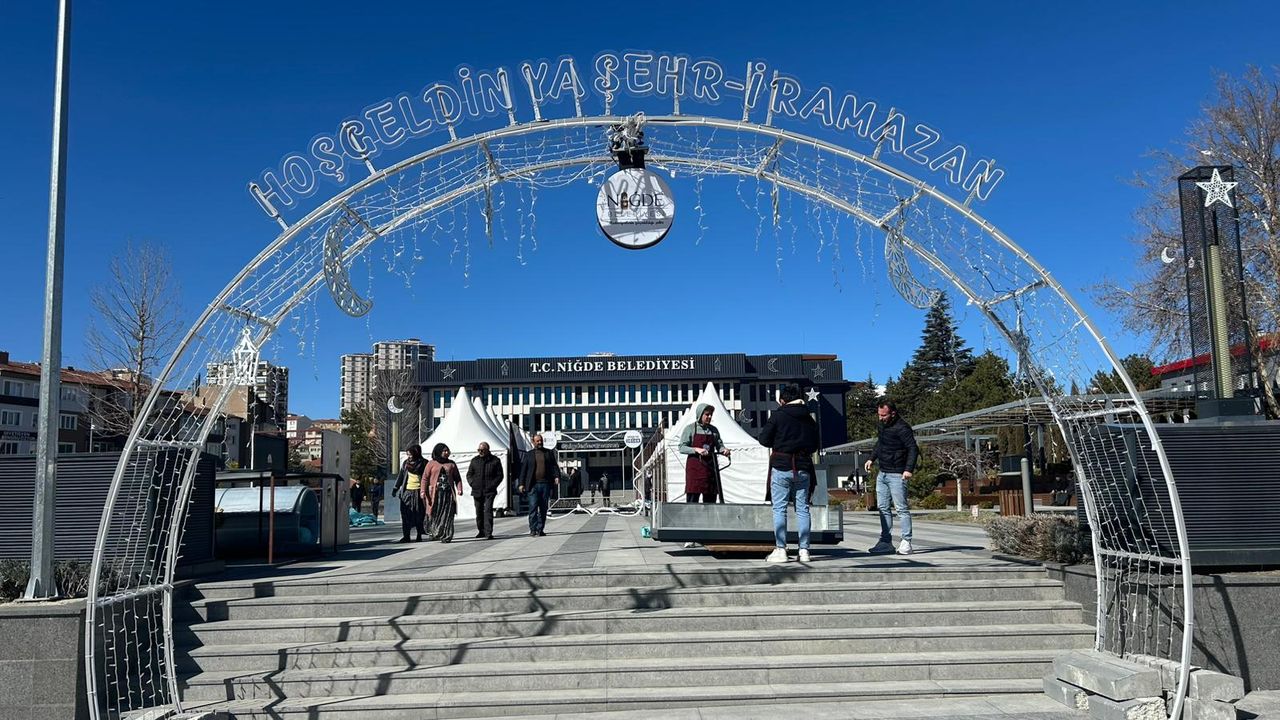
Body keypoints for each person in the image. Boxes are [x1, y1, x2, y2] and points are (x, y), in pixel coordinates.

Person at [758, 383, 820, 563]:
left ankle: (781, 549)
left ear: (782, 400)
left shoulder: (779, 415)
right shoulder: (809, 418)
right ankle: (804, 550)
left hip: (782, 465)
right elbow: (815, 445)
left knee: (780, 509)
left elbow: (764, 439)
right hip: (804, 467)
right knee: (803, 509)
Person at [865, 400, 919, 555]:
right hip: (883, 472)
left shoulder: (902, 428)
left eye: (884, 415)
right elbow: (880, 444)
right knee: (883, 508)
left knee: (901, 508)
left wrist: (908, 469)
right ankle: (885, 542)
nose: (881, 418)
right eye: (879, 415)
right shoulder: (882, 425)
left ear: (893, 413)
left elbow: (912, 448)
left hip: (897, 473)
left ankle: (906, 541)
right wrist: (871, 458)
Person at [678, 403, 730, 549]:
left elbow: (719, 445)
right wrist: (696, 449)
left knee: (710, 504)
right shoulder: (690, 429)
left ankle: (708, 535)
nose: (709, 417)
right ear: (700, 415)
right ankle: (690, 537)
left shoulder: (714, 430)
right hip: (695, 469)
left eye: (710, 414)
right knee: (692, 504)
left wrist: (724, 450)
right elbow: (681, 447)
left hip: (710, 469)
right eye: (706, 414)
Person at [518, 433, 561, 536]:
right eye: (537, 441)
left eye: (541, 440)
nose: (540, 442)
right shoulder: (529, 454)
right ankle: (533, 529)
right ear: (533, 442)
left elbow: (554, 466)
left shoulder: (548, 453)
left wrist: (557, 476)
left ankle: (540, 529)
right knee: (533, 507)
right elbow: (524, 470)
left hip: (545, 484)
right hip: (533, 485)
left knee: (543, 508)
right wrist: (521, 484)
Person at [423, 443, 464, 543]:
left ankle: (447, 535)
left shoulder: (451, 464)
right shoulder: (431, 464)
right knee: (435, 513)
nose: (446, 453)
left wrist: (459, 489)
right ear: (438, 452)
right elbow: (425, 478)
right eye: (444, 451)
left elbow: (457, 478)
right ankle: (435, 532)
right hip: (435, 494)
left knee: (448, 514)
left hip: (448, 494)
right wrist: (423, 491)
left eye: (447, 451)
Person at [468, 441, 504, 540]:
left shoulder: (495, 460)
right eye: (479, 450)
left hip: (489, 491)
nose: (480, 452)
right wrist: (472, 483)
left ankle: (488, 532)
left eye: (482, 450)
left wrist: (493, 485)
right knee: (479, 512)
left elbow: (500, 475)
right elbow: (469, 474)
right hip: (477, 490)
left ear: (488, 450)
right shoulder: (474, 460)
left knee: (488, 511)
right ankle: (481, 530)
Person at [392, 445, 427, 542]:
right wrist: (395, 488)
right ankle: (406, 535)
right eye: (408, 455)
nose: (409, 457)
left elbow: (427, 477)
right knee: (405, 514)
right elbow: (401, 476)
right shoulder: (405, 463)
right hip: (407, 491)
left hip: (419, 492)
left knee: (419, 514)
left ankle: (419, 535)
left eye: (410, 454)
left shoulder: (424, 463)